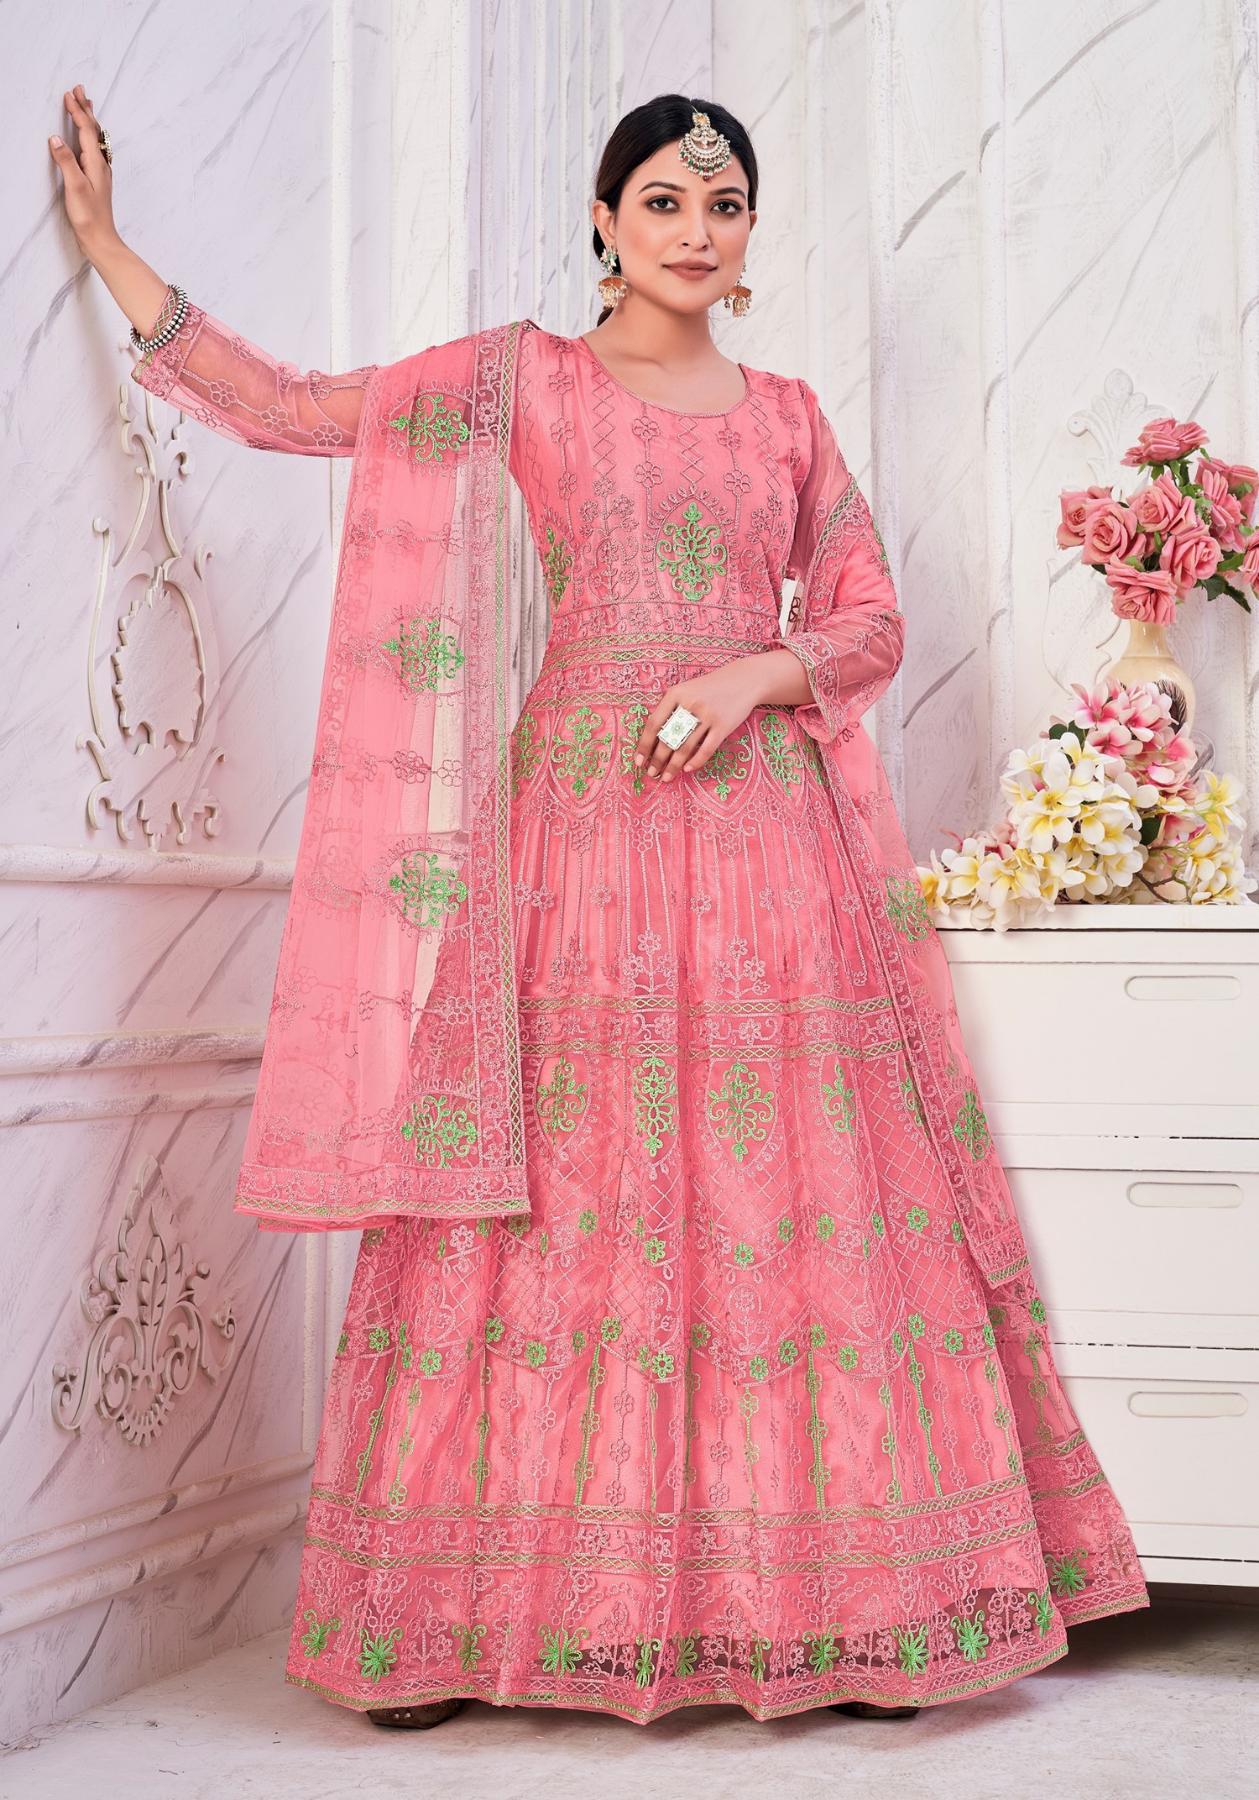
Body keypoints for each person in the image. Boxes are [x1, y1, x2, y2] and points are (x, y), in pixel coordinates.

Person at [50, 85, 1150, 1730]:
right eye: (664, 202)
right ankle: (458, 1617)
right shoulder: (531, 380)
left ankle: (844, 1608)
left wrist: (751, 674)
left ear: (751, 235)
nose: (696, 231)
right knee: (550, 1192)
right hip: (577, 835)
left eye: (725, 205)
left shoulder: (788, 418)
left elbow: (870, 619)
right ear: (605, 219)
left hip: (768, 852)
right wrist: (113, 251)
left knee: (774, 1193)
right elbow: (303, 410)